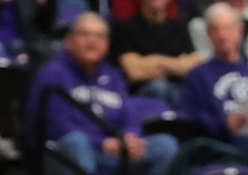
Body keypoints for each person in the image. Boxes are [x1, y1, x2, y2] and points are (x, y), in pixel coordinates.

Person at [27, 12, 179, 175]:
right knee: (77, 142)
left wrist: (130, 137)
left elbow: (129, 114)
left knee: (165, 145)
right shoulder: (53, 73)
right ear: (69, 41)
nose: (92, 42)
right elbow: (58, 126)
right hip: (65, 153)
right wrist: (103, 143)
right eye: (85, 35)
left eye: (100, 36)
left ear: (107, 43)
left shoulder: (113, 75)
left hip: (110, 150)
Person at [179, 2, 248, 157]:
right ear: (208, 34)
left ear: (240, 31)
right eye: (216, 29)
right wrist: (223, 125)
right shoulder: (197, 77)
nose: (222, 34)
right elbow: (189, 117)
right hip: (221, 148)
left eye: (228, 28)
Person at [113, 0, 201, 101]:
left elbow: (196, 65)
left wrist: (152, 63)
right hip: (142, 99)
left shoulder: (179, 26)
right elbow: (134, 72)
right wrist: (177, 65)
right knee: (160, 87)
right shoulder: (125, 27)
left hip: (179, 93)